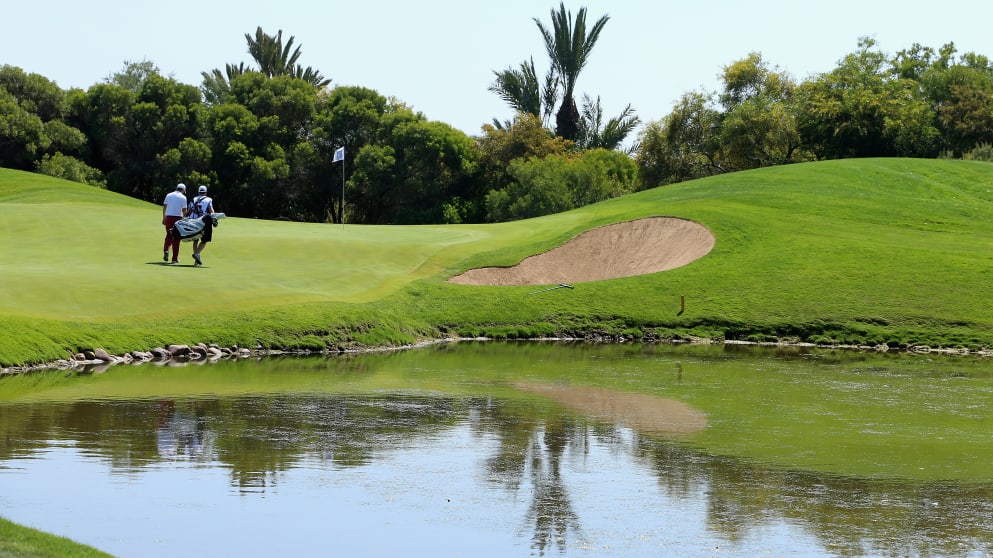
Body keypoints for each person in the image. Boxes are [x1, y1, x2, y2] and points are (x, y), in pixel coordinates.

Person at [188, 185, 216, 266]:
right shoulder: (208, 199)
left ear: (198, 192)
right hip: (203, 221)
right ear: (206, 192)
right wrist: (214, 219)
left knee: (195, 239)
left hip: (193, 221)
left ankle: (196, 259)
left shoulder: (193, 199)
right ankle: (197, 253)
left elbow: (189, 210)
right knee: (205, 240)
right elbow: (211, 211)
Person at [162, 183, 187, 263]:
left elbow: (164, 207)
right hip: (177, 218)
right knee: (176, 238)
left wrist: (164, 218)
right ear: (183, 190)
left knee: (169, 235)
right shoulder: (183, 197)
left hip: (168, 217)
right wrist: (185, 220)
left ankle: (166, 249)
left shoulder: (168, 195)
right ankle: (174, 259)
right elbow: (184, 211)